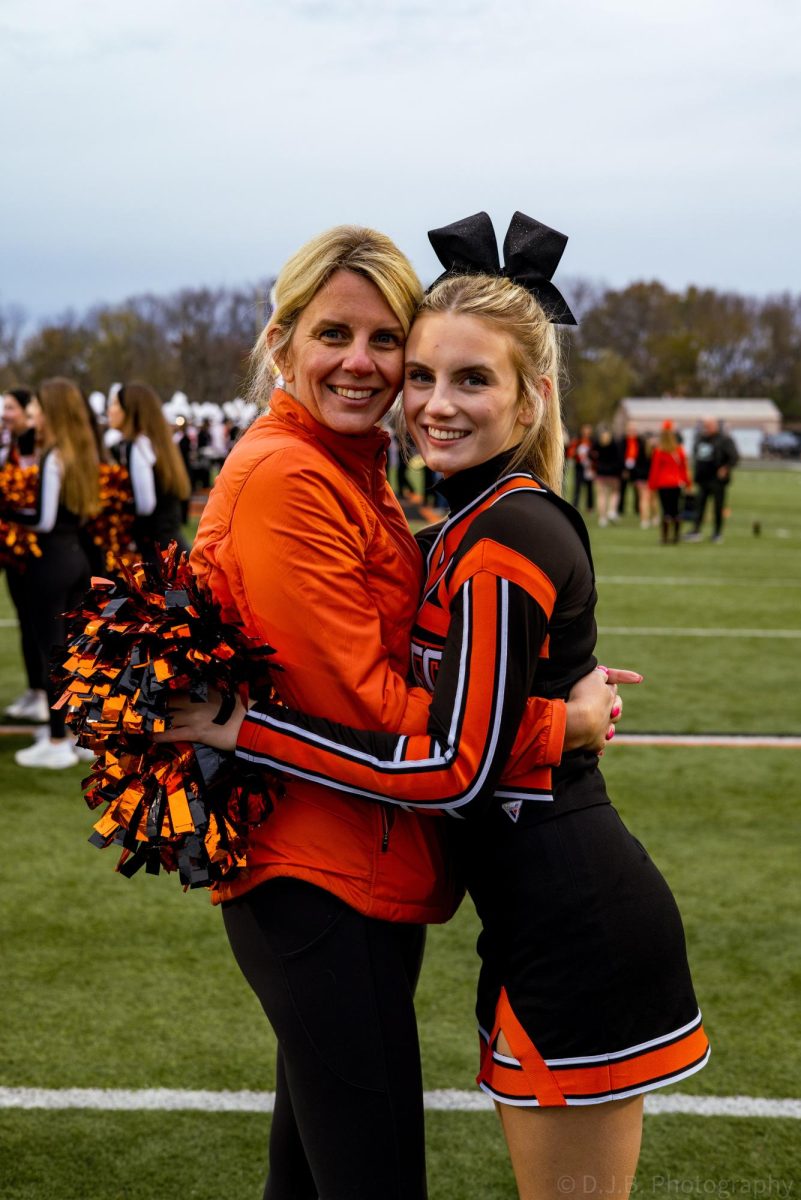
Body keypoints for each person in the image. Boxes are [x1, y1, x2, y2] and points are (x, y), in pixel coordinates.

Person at [166, 213, 709, 1200]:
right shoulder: (300, 478)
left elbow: (445, 740)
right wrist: (557, 722)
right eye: (340, 336)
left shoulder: (460, 512)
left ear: (531, 393)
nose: (386, 377)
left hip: (556, 915)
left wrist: (542, 715)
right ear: (281, 339)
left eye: (396, 347)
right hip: (342, 873)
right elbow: (395, 717)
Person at [10, 378, 99, 769]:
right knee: (75, 651)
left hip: (50, 562)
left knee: (53, 653)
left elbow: (43, 520)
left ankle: (58, 738)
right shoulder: (82, 451)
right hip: (77, 558)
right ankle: (82, 733)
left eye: (37, 410)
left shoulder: (53, 456)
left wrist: (7, 510)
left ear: (52, 413)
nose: (33, 418)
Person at [2, 387, 49, 723]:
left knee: (39, 625)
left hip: (37, 549)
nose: (5, 413)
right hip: (13, 549)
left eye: (11, 407)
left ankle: (46, 696)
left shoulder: (39, 447)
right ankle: (35, 691)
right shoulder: (10, 445)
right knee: (24, 619)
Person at [106, 382, 191, 562]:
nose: (110, 410)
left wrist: (114, 507)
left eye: (115, 404)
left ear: (131, 410)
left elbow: (146, 505)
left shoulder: (138, 445)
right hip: (171, 547)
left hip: (157, 553)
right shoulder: (155, 442)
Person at [684, 417, 739, 543]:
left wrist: (725, 468)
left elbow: (734, 457)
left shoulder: (725, 440)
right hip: (703, 478)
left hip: (717, 480)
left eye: (709, 425)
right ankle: (696, 531)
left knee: (718, 507)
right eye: (705, 425)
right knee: (699, 506)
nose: (707, 427)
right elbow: (697, 456)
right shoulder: (700, 438)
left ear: (715, 425)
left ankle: (717, 533)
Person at [648, 420, 691, 544]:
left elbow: (655, 470)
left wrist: (652, 485)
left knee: (666, 510)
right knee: (676, 510)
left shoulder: (659, 451)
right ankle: (676, 537)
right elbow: (684, 468)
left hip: (663, 484)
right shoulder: (679, 450)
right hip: (676, 484)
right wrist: (688, 483)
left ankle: (665, 538)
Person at [618, 420, 653, 527]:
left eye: (634, 429)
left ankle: (638, 510)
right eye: (630, 429)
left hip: (637, 470)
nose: (632, 431)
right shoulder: (622, 441)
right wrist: (623, 468)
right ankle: (620, 510)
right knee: (622, 489)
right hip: (626, 467)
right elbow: (620, 455)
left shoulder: (640, 442)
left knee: (638, 493)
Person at [591, 425, 622, 526]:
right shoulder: (615, 444)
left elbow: (590, 455)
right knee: (615, 492)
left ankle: (602, 518)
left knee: (601, 495)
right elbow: (620, 459)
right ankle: (612, 511)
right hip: (613, 473)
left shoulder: (597, 444)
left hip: (601, 472)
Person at [566, 422, 595, 511]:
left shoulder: (592, 441)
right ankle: (575, 505)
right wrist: (575, 453)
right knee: (577, 486)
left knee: (590, 487)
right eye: (585, 429)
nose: (586, 431)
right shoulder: (577, 441)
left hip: (589, 467)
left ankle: (590, 506)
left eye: (588, 429)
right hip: (579, 466)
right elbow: (570, 452)